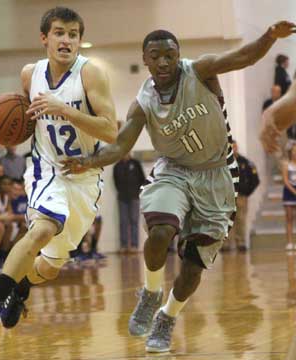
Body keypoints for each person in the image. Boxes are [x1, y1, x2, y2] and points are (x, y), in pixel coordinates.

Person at [62, 21, 295, 352]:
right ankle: (151, 292)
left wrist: (270, 36)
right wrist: (89, 160)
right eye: (155, 56)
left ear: (178, 56)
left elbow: (244, 56)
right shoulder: (143, 101)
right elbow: (119, 147)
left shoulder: (200, 71)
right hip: (174, 171)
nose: (163, 63)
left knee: (192, 267)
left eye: (169, 55)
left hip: (217, 174)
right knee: (159, 234)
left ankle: (167, 316)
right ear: (145, 59)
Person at [0, 6, 117, 337]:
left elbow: (110, 131)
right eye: (59, 33)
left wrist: (66, 111)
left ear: (79, 41)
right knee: (41, 230)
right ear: (44, 38)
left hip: (84, 177)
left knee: (47, 268)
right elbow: (20, 117)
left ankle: (20, 288)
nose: (66, 40)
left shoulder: (90, 74)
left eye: (73, 35)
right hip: (45, 169)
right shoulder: (30, 74)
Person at [222, 140, 259, 252]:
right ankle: (226, 244)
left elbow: (255, 180)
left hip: (241, 196)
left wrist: (246, 192)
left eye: (235, 147)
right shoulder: (222, 163)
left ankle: (241, 243)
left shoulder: (245, 162)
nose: (233, 150)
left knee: (241, 220)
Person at [113, 152, 145, 253]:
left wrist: (138, 192)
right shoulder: (117, 166)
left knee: (134, 221)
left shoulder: (135, 163)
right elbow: (116, 182)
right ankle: (124, 246)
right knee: (123, 222)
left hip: (134, 197)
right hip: (122, 198)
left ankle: (134, 246)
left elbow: (142, 179)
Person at [261, 80, 296, 154]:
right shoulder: (268, 103)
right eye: (276, 92)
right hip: (275, 130)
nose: (278, 94)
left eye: (279, 92)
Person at [282, 144, 296, 251]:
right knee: (289, 218)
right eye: (294, 151)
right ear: (291, 152)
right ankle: (290, 242)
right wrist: (294, 191)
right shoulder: (286, 164)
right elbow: (286, 181)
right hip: (289, 191)